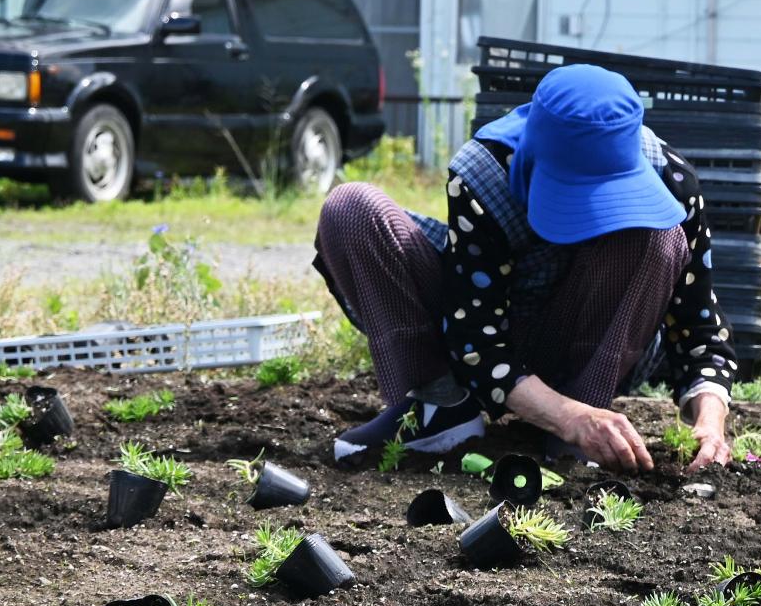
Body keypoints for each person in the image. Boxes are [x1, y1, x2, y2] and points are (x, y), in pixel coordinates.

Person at [313, 63, 735, 473]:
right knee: (351, 209)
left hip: (582, 342)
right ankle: (438, 406)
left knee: (658, 235)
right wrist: (568, 416)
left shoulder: (672, 183)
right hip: (484, 330)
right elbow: (474, 336)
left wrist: (710, 423)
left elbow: (700, 329)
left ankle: (580, 417)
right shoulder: (483, 175)